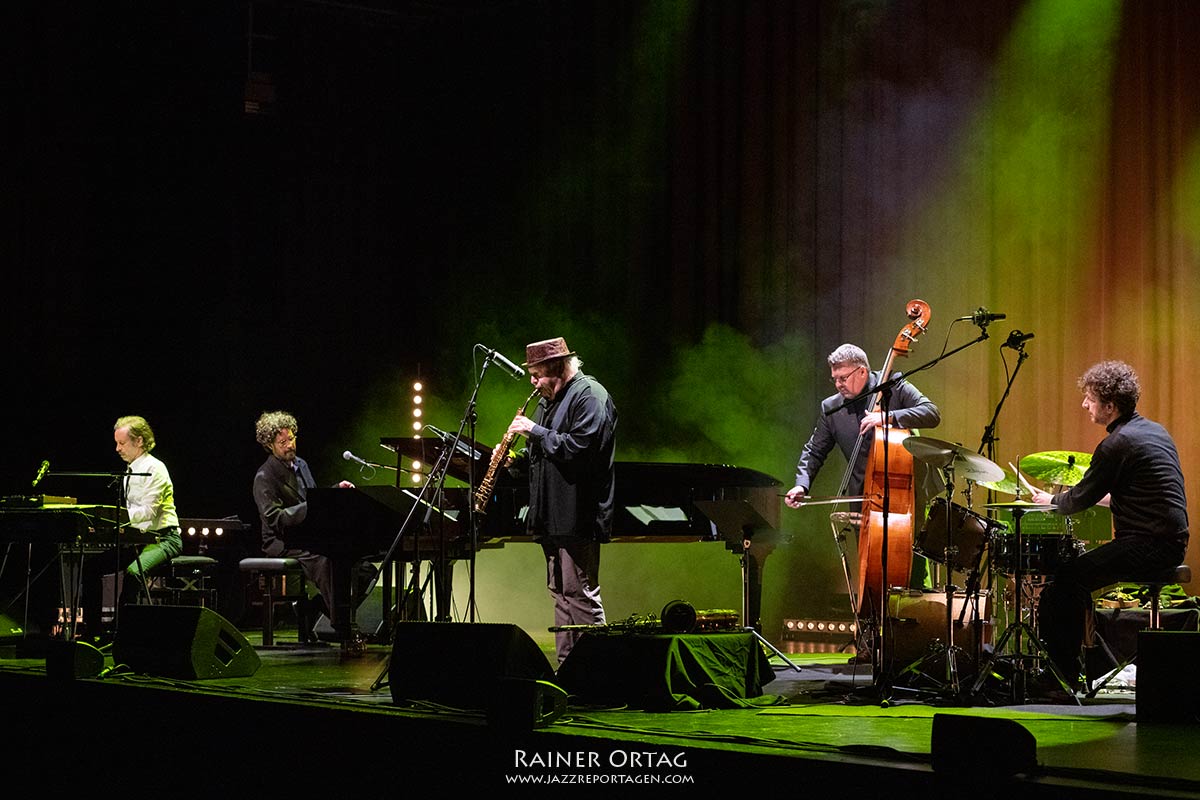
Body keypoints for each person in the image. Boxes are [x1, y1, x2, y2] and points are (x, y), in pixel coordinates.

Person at [1029, 361, 1188, 693]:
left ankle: (1061, 679)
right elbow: (1131, 494)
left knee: (1064, 583)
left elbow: (1078, 500)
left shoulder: (1117, 444)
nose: (1084, 405)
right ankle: (1076, 667)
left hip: (1148, 545)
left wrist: (1050, 501)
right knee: (1074, 578)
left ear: (1110, 406)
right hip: (1169, 542)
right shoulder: (1154, 431)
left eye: (1090, 399)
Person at [784, 343, 942, 633]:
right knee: (870, 572)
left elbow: (931, 413)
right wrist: (801, 485)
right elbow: (814, 451)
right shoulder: (831, 407)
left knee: (913, 567)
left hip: (908, 494)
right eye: (834, 378)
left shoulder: (893, 385)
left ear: (862, 371)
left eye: (843, 377)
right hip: (866, 496)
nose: (838, 384)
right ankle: (871, 636)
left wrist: (888, 417)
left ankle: (915, 635)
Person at [506, 337, 617, 665]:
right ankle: (569, 669)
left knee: (580, 595)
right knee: (561, 594)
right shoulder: (549, 401)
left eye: (536, 375)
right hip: (551, 515)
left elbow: (580, 449)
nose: (533, 382)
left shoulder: (590, 395)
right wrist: (516, 460)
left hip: (577, 514)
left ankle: (598, 672)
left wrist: (534, 431)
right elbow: (544, 452)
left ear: (556, 368)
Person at [82, 415, 183, 641]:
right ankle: (93, 632)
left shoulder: (155, 468)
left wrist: (113, 519)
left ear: (139, 441)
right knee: (90, 567)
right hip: (139, 540)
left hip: (164, 539)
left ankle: (123, 632)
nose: (117, 449)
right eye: (116, 443)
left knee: (133, 572)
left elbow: (147, 513)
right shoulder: (130, 471)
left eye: (122, 443)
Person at [252, 410, 350, 637]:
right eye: (283, 442)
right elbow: (274, 518)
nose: (289, 445)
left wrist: (336, 491)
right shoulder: (264, 476)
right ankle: (342, 625)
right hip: (281, 541)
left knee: (360, 563)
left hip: (308, 535)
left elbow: (312, 499)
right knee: (326, 559)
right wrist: (311, 507)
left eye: (291, 438)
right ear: (270, 445)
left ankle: (324, 608)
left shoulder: (301, 464)